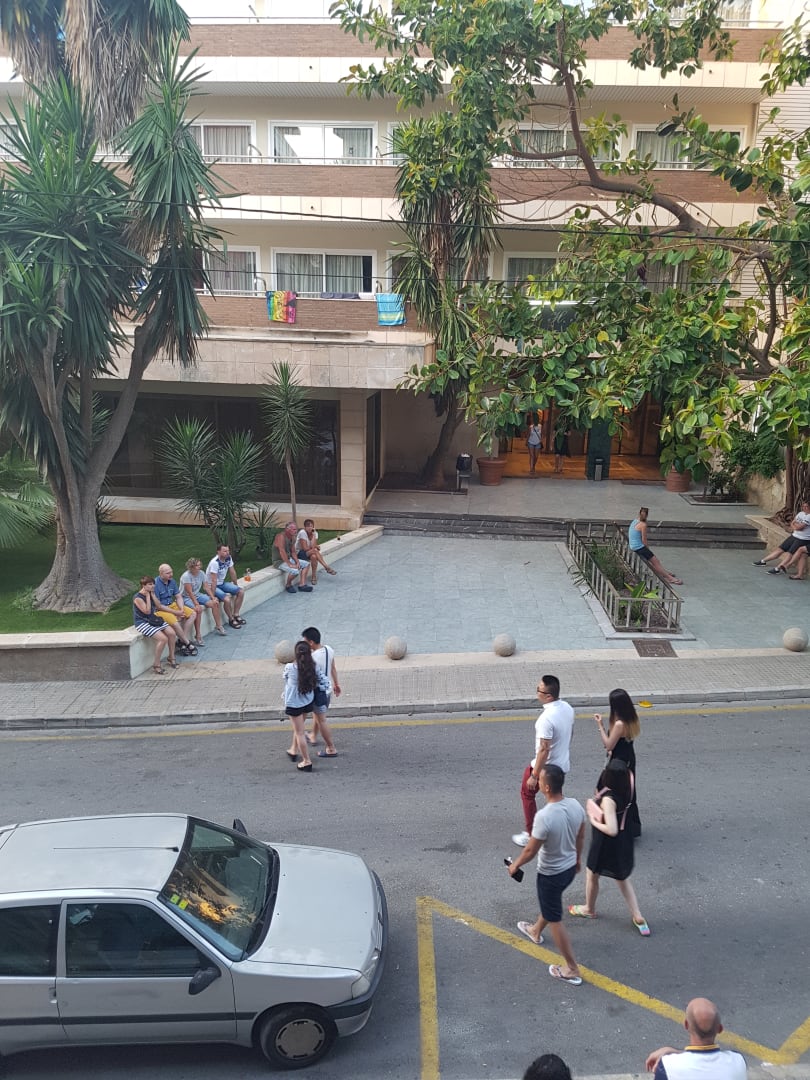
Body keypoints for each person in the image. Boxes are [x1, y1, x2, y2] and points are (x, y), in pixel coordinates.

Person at [507, 764, 586, 986]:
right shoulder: (575, 805)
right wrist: (577, 859)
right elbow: (581, 836)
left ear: (547, 787)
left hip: (551, 874)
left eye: (540, 779)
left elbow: (530, 851)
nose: (537, 782)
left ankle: (571, 967)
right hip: (569, 869)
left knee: (555, 918)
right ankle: (535, 930)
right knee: (551, 904)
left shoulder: (544, 816)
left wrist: (515, 866)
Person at [568, 759, 650, 935]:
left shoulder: (609, 800)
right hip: (624, 839)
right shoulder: (628, 785)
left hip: (606, 843)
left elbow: (611, 830)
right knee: (622, 878)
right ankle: (637, 915)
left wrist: (594, 821)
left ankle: (589, 908)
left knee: (592, 874)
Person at [513, 675, 575, 848]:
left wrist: (534, 775)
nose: (536, 693)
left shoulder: (545, 719)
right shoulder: (567, 708)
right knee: (555, 800)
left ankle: (532, 835)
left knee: (527, 794)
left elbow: (544, 750)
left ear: (548, 696)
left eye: (538, 690)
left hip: (545, 769)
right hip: (561, 766)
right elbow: (571, 733)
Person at [645, 998, 747, 1080]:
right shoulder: (738, 1061)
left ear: (686, 1025)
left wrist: (672, 1053)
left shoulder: (668, 1066)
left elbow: (698, 1060)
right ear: (720, 1029)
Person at [594, 688, 641, 838]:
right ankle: (630, 826)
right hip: (628, 758)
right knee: (628, 791)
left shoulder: (619, 724)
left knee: (606, 789)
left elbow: (608, 745)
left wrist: (600, 726)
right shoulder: (631, 718)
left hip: (618, 762)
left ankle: (610, 822)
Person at [294, 625, 341, 758]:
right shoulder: (329, 649)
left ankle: (331, 748)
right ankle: (313, 736)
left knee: (322, 721)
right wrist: (336, 684)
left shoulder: (312, 657)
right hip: (327, 691)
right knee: (318, 716)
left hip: (317, 693)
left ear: (311, 642)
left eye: (305, 641)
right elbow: (333, 668)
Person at [283, 640, 321, 771]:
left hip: (294, 703)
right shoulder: (313, 666)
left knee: (299, 732)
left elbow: (285, 678)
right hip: (307, 701)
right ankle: (293, 750)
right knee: (299, 727)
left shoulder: (290, 667)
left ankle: (306, 761)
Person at [133, 576, 178, 674]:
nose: (153, 586)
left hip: (153, 619)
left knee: (172, 633)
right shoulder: (138, 598)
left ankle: (171, 657)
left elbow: (158, 605)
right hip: (142, 622)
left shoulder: (151, 593)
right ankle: (156, 664)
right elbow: (147, 611)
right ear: (143, 586)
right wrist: (147, 597)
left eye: (153, 584)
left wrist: (152, 595)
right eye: (150, 584)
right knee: (163, 639)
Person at [752, 501, 810, 576]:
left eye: (806, 506)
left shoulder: (809, 516)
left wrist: (795, 526)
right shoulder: (800, 513)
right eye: (803, 506)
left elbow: (799, 527)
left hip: (802, 539)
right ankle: (763, 561)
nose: (804, 508)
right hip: (794, 536)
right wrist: (795, 526)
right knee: (780, 549)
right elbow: (792, 523)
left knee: (790, 554)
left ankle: (778, 569)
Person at [629, 507, 683, 586]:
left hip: (633, 545)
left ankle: (664, 572)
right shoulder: (643, 525)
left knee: (656, 561)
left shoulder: (634, 521)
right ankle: (669, 578)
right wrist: (647, 549)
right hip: (639, 547)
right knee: (655, 562)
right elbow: (644, 540)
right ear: (647, 515)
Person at [153, 563, 197, 655]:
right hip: (161, 609)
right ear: (161, 574)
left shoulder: (172, 581)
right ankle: (187, 643)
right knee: (175, 621)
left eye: (171, 572)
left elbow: (178, 596)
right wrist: (176, 613)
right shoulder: (155, 584)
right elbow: (159, 606)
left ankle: (181, 640)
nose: (171, 574)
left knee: (193, 613)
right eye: (168, 573)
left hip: (171, 604)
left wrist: (181, 609)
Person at [180, 557, 226, 640]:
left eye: (200, 565)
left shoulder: (201, 573)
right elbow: (189, 592)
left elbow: (206, 587)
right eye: (197, 565)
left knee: (214, 603)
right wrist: (196, 604)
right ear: (192, 567)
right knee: (198, 610)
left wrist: (213, 597)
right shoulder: (186, 576)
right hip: (186, 597)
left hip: (197, 594)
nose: (200, 567)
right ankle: (198, 634)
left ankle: (218, 626)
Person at [206, 544, 246, 629]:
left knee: (241, 591)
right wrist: (212, 596)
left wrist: (235, 585)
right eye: (224, 551)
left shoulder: (228, 558)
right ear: (218, 552)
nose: (227, 553)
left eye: (228, 550)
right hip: (212, 586)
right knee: (227, 599)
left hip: (222, 583)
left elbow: (232, 572)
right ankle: (231, 619)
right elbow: (213, 580)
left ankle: (236, 614)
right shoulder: (215, 563)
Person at [274, 522, 313, 594]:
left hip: (288, 559)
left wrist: (297, 561)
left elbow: (293, 552)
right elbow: (282, 551)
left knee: (306, 564)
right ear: (287, 529)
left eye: (296, 529)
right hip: (279, 561)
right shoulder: (280, 536)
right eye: (294, 529)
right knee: (295, 571)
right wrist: (290, 564)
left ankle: (302, 585)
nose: (296, 531)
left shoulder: (293, 537)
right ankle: (288, 585)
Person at [297, 519, 337, 584]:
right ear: (305, 527)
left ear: (313, 527)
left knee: (314, 557)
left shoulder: (315, 533)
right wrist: (314, 547)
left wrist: (313, 535)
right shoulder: (302, 533)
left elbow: (313, 546)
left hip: (309, 552)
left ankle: (313, 576)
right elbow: (305, 548)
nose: (309, 528)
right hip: (299, 553)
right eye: (307, 526)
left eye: (311, 526)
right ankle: (326, 567)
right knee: (315, 551)